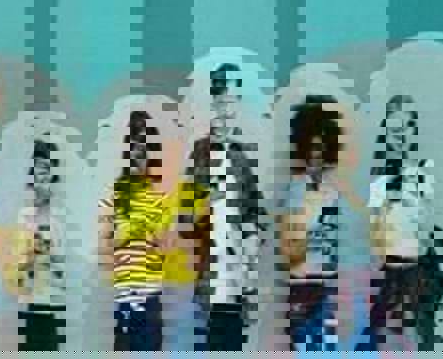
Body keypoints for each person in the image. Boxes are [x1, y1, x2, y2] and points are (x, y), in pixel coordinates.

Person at [356, 95, 443, 350]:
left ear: (414, 130)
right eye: (393, 130)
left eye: (406, 127)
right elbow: (375, 229)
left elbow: (428, 225)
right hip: (390, 269)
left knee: (421, 338)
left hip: (421, 267)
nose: (399, 135)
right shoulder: (379, 177)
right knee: (374, 337)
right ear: (385, 132)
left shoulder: (425, 170)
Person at [184, 63, 267, 350]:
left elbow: (258, 215)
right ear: (214, 102)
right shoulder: (200, 153)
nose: (229, 109)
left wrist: (252, 236)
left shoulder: (243, 158)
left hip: (238, 283)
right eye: (224, 101)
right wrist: (209, 200)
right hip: (210, 282)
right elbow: (185, 219)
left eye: (234, 101)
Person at [98, 110, 172, 351]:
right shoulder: (115, 197)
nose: (140, 154)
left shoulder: (160, 199)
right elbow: (103, 251)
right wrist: (128, 234)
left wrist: (138, 230)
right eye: (135, 146)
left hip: (150, 298)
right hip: (124, 298)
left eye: (146, 148)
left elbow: (164, 250)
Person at [279, 96, 345, 351]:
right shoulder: (296, 190)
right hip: (304, 287)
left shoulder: (334, 190)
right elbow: (290, 253)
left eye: (322, 146)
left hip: (330, 287)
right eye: (311, 147)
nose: (316, 154)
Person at [10, 139, 70, 351]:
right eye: (39, 166)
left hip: (54, 305)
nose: (43, 173)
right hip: (30, 305)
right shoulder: (24, 214)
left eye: (48, 167)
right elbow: (18, 265)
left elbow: (62, 261)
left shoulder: (61, 214)